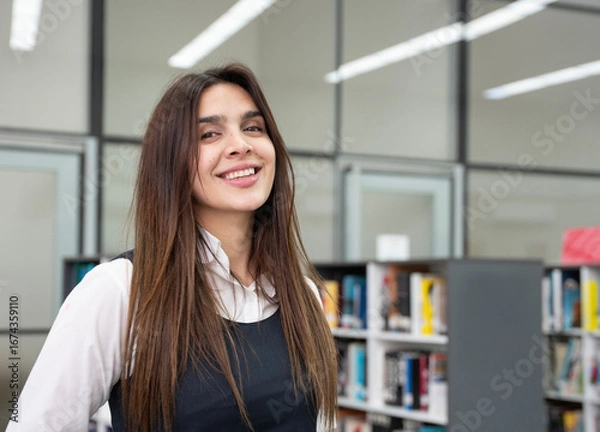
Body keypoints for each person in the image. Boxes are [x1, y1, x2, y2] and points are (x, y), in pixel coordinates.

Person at [8, 63, 337, 431]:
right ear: (171, 161)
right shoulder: (121, 292)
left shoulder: (303, 294)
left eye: (253, 128)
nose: (240, 145)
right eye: (210, 134)